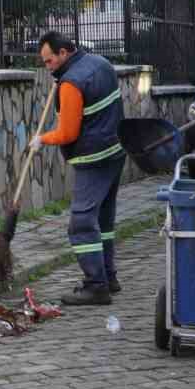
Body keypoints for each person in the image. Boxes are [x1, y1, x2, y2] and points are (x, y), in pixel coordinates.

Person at [31, 31, 127, 305]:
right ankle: (109, 277)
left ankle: (96, 285)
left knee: (82, 223)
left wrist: (42, 139)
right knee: (104, 220)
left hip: (93, 158)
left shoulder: (70, 84)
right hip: (116, 151)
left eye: (49, 61)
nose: (47, 67)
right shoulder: (101, 64)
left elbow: (68, 133)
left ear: (64, 54)